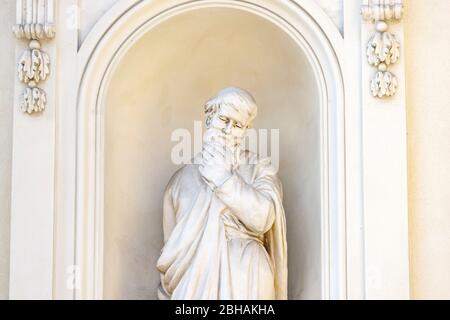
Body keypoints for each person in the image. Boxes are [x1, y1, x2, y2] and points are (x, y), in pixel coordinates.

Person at [156, 87, 287, 299]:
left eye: (237, 125)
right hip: (194, 283)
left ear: (245, 130)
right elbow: (171, 252)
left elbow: (263, 218)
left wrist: (223, 178)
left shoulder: (258, 167)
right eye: (224, 119)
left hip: (247, 275)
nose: (228, 129)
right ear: (209, 119)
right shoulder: (179, 181)